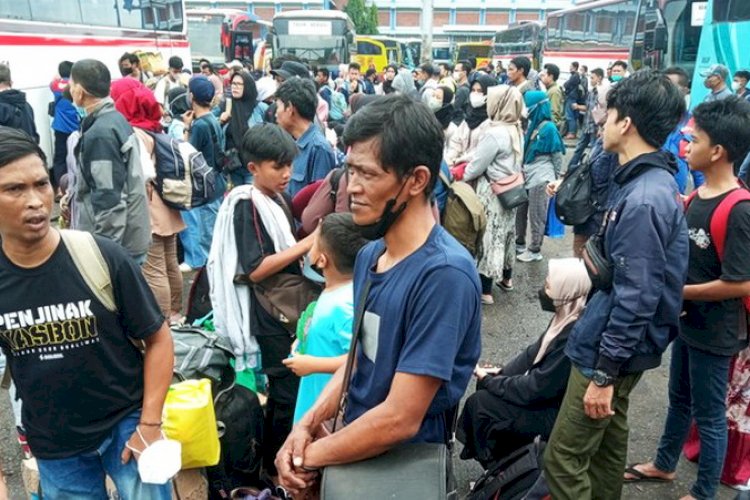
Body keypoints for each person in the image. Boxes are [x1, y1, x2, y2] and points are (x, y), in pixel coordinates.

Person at [274, 93, 482, 498]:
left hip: (402, 470)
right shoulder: (371, 254)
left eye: (368, 175)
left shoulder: (443, 276)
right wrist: (305, 425)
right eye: (350, 171)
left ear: (417, 179)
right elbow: (356, 361)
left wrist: (307, 457)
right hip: (356, 449)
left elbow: (401, 418)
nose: (352, 188)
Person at [0, 126, 174, 499]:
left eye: (41, 184)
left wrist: (150, 423)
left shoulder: (99, 255)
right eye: (14, 189)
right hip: (54, 443)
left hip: (126, 424)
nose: (35, 200)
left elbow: (158, 337)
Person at [543, 70, 689, 500]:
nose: (601, 120)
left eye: (609, 113)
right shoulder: (650, 181)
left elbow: (636, 295)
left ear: (626, 123)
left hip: (609, 347)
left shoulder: (644, 198)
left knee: (563, 459)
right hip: (623, 344)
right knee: (607, 446)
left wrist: (604, 372)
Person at [624, 96, 750, 500]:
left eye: (693, 140)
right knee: (678, 398)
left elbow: (741, 282)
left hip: (717, 331)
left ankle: (704, 491)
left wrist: (678, 291)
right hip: (689, 322)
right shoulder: (695, 197)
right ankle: (664, 464)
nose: (684, 147)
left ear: (717, 151)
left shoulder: (739, 208)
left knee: (710, 415)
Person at [210, 123, 313, 483]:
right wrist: (309, 242)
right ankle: (274, 467)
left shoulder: (272, 198)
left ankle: (278, 460)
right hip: (268, 312)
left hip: (278, 306)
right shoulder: (247, 204)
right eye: (276, 166)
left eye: (288, 165)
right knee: (284, 388)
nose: (286, 174)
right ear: (253, 167)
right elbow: (255, 269)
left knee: (287, 386)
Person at [459, 258, 592, 468]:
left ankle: (503, 469)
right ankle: (504, 464)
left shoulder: (572, 336)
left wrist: (493, 382)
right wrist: (501, 373)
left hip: (554, 415)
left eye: (549, 285)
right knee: (488, 389)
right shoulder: (567, 316)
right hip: (545, 399)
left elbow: (537, 388)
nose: (544, 290)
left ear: (566, 292)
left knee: (481, 404)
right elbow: (531, 354)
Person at [110, 78, 185, 323]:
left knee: (154, 269)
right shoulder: (154, 127)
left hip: (149, 206)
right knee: (170, 261)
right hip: (167, 204)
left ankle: (163, 319)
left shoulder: (134, 133)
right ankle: (176, 311)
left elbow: (139, 177)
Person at [283, 213, 368, 423]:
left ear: (321, 259)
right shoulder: (339, 291)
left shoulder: (344, 306)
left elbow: (360, 361)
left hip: (327, 415)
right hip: (313, 398)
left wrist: (313, 364)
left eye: (314, 242)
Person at [69, 59, 151, 263]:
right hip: (131, 237)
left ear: (79, 91)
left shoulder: (100, 134)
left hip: (116, 248)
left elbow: (109, 200)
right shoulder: (116, 120)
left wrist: (104, 255)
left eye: (71, 85)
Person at [462, 85, 524, 304]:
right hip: (511, 190)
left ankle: (485, 290)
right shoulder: (515, 127)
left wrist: (463, 173)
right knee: (506, 233)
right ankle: (506, 279)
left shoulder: (495, 133)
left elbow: (477, 166)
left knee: (489, 237)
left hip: (492, 192)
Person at [180, 76, 227, 270]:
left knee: (203, 228)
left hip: (204, 184)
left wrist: (185, 128)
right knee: (211, 225)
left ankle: (201, 263)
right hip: (216, 180)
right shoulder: (212, 120)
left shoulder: (199, 126)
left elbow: (186, 154)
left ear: (191, 96)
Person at [515, 91, 565, 263]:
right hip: (527, 175)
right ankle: (519, 242)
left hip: (541, 177)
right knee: (520, 211)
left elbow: (557, 156)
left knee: (537, 215)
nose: (524, 109)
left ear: (537, 107)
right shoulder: (532, 125)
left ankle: (535, 249)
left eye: (527, 105)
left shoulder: (548, 128)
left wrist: (555, 180)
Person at [275, 78, 337, 197]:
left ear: (290, 109)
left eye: (278, 106)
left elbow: (319, 201)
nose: (275, 113)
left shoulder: (318, 148)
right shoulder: (292, 142)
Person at [445, 74, 498, 170]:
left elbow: (481, 151)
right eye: (473, 90)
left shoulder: (493, 121)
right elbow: (456, 141)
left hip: (475, 170)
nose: (475, 94)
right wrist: (450, 159)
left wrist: (459, 160)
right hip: (456, 167)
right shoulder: (469, 117)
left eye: (480, 91)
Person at [221, 71, 261, 187]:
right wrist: (221, 121)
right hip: (234, 165)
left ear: (247, 87)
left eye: (239, 84)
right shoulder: (225, 107)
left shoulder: (259, 108)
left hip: (254, 164)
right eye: (233, 83)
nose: (235, 87)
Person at [567, 68, 609, 171]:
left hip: (594, 127)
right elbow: (588, 108)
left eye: (592, 78)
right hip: (587, 125)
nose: (591, 80)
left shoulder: (602, 92)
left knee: (594, 150)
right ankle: (570, 169)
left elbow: (601, 111)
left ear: (599, 78)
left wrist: (600, 127)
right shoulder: (591, 92)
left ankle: (590, 171)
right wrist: (578, 107)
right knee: (579, 148)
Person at [663, 66, 695, 194]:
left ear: (685, 90)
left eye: (671, 87)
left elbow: (699, 172)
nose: (665, 91)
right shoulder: (649, 120)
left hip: (677, 196)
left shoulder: (693, 123)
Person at [49, 61, 79, 192]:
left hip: (60, 128)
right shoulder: (76, 86)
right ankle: (76, 185)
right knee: (77, 156)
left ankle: (61, 190)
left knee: (60, 158)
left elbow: (52, 81)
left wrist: (57, 76)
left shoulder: (55, 86)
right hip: (76, 128)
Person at [0, 64, 39, 143]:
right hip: (30, 151)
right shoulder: (26, 104)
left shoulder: (2, 107)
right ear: (10, 82)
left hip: (10, 153)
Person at [541, 63, 564, 130]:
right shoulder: (550, 89)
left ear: (550, 77)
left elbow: (554, 113)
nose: (542, 77)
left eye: (544, 75)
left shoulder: (554, 91)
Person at [563, 62, 583, 139]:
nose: (569, 68)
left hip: (571, 97)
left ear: (575, 67)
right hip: (574, 97)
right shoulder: (576, 76)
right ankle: (572, 132)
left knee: (570, 115)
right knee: (573, 115)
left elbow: (566, 85)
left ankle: (571, 133)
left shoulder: (575, 76)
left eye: (571, 67)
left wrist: (565, 84)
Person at [452, 60, 473, 125]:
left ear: (464, 72)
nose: (454, 73)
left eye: (456, 71)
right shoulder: (466, 87)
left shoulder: (462, 90)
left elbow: (455, 108)